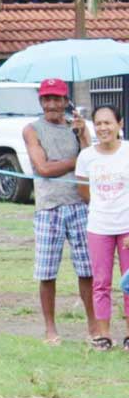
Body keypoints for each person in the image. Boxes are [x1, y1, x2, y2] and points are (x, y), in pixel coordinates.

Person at [23, 78, 96, 345]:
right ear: (41, 102)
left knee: (87, 269)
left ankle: (93, 325)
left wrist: (83, 136)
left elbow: (92, 162)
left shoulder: (77, 128)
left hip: (79, 204)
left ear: (66, 101)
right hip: (48, 207)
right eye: (47, 99)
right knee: (47, 271)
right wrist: (76, 161)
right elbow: (42, 168)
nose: (52, 104)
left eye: (57, 99)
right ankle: (50, 329)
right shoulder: (32, 129)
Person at [75, 105, 129, 351]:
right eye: (98, 123)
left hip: (127, 226)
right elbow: (84, 190)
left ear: (120, 124)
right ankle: (103, 335)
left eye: (108, 123)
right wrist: (102, 208)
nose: (103, 128)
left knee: (128, 282)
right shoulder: (87, 156)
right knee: (101, 282)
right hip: (99, 226)